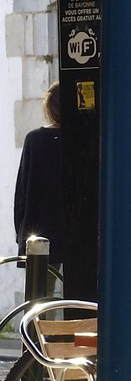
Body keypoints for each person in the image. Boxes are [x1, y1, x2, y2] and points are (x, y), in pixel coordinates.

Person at [12, 82, 63, 266]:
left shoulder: (34, 140)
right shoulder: (77, 142)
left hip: (38, 237)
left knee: (40, 293)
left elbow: (21, 193)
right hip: (70, 236)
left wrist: (21, 234)